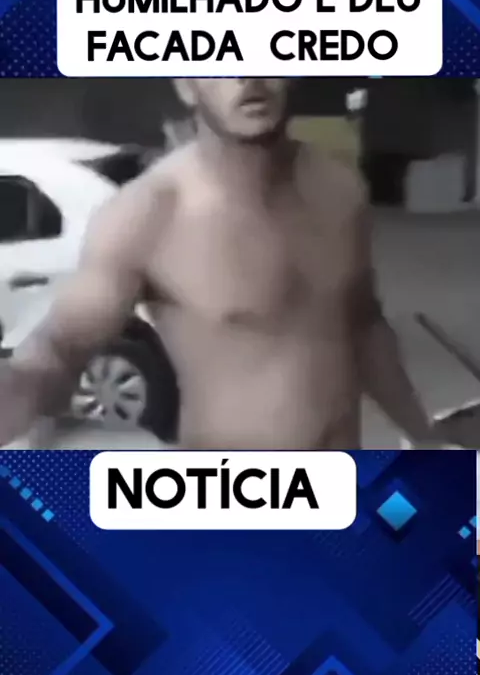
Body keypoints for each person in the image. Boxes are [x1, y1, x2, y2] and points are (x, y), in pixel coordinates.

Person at [0, 78, 438, 449]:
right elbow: (55, 352)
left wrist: (424, 437)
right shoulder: (150, 213)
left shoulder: (340, 188)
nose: (248, 76)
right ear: (186, 87)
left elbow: (364, 324)